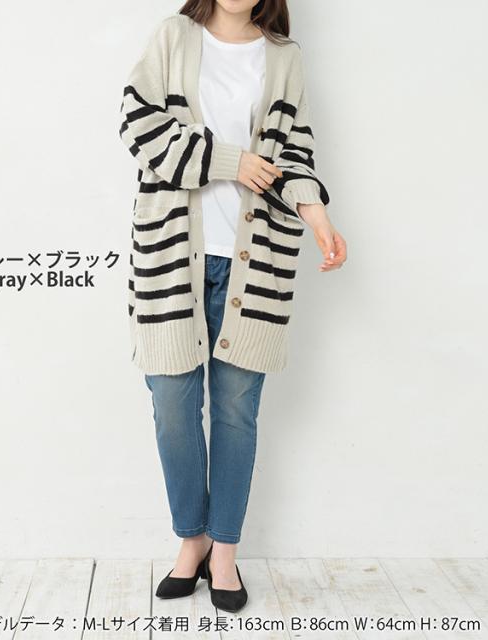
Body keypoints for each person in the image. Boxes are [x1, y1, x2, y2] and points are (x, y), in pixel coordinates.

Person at [118, 0, 347, 613]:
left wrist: (318, 217)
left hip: (256, 261)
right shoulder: (173, 37)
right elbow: (138, 126)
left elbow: (295, 152)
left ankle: (223, 551)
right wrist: (231, 162)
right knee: (172, 408)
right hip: (171, 256)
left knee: (236, 414)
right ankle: (190, 539)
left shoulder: (284, 57)